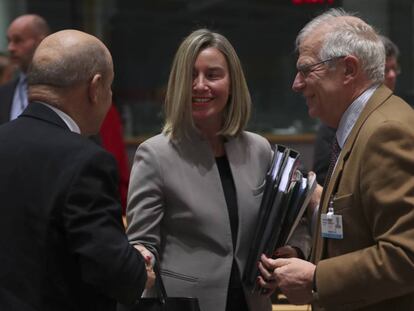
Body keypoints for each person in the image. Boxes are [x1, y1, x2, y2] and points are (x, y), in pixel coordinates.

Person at [126, 28, 310, 311]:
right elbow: (141, 243)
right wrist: (141, 257)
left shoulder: (259, 149)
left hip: (253, 303)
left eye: (213, 75)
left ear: (232, 83)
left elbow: (295, 222)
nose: (200, 85)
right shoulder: (154, 154)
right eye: (191, 76)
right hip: (185, 304)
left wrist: (293, 252)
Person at [258, 8, 414, 310]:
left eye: (306, 70)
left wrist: (317, 277)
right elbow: (356, 233)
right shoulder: (360, 127)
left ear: (348, 70)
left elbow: (407, 254)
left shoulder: (386, 132)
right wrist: (308, 261)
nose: (296, 84)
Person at [0, 29, 155, 311]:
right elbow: (115, 273)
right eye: (110, 88)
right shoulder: (87, 162)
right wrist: (138, 263)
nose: (109, 97)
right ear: (95, 88)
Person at [313, 34, 401, 186]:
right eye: (386, 69)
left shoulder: (402, 114)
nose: (392, 75)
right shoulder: (337, 120)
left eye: (394, 68)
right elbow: (324, 178)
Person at [0, 14, 50, 124]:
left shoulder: (63, 90)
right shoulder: (3, 93)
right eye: (9, 41)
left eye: (18, 40)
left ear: (41, 42)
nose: (10, 48)